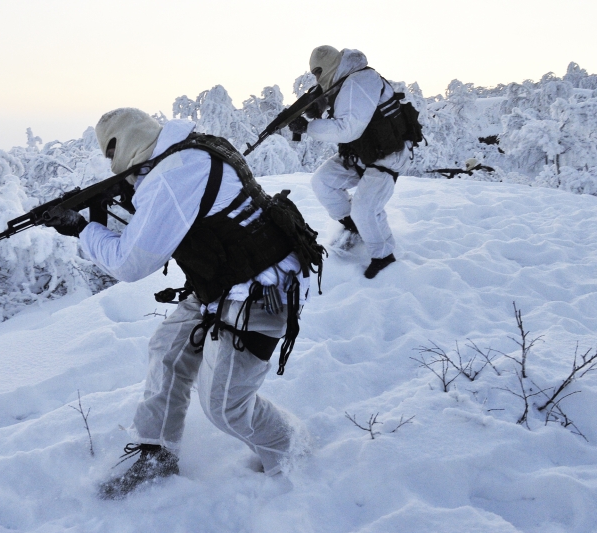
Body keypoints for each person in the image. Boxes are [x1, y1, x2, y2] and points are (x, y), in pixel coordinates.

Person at [47, 108, 319, 499]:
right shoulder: (189, 150)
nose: (111, 163)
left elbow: (130, 262)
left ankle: (291, 450)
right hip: (221, 284)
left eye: (110, 154)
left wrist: (82, 228)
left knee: (225, 406)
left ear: (122, 145)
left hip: (261, 294)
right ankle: (157, 455)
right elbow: (157, 227)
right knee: (168, 351)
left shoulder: (171, 177)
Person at [290, 45, 418, 279]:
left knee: (365, 209)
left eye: (318, 71)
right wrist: (314, 108)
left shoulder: (361, 80)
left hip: (389, 156)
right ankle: (355, 228)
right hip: (362, 153)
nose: (317, 77)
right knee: (323, 182)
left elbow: (348, 129)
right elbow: (338, 105)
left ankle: (384, 257)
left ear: (329, 66)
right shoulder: (342, 82)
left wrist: (308, 127)